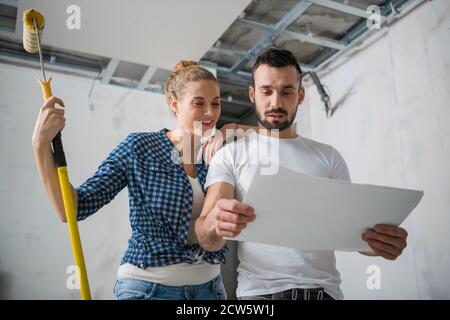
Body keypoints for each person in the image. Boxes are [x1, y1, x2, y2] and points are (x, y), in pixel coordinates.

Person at [195, 48, 408, 300]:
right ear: (252, 94)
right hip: (260, 295)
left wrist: (381, 244)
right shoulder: (230, 155)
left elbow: (352, 233)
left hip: (325, 293)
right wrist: (214, 223)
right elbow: (206, 237)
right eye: (266, 91)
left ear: (301, 95)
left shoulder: (328, 156)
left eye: (287, 91)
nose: (276, 102)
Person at [31, 60, 248, 300]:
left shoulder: (221, 153)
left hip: (210, 290)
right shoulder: (140, 147)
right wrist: (41, 145)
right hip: (148, 289)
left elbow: (282, 138)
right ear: (174, 104)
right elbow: (72, 209)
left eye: (216, 104)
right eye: (199, 103)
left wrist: (236, 128)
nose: (210, 113)